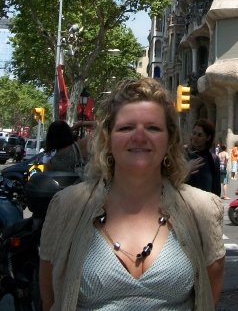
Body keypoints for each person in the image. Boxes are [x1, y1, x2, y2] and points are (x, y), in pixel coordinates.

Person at [39, 77, 225, 311]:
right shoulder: (67, 206)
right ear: (108, 138)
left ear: (169, 140)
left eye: (153, 128)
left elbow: (208, 297)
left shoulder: (203, 209)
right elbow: (50, 299)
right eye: (126, 127)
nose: (139, 137)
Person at [186, 119, 221, 196]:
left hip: (205, 201)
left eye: (199, 135)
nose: (195, 137)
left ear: (208, 137)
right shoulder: (183, 155)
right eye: (194, 133)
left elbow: (216, 189)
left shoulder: (213, 159)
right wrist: (186, 170)